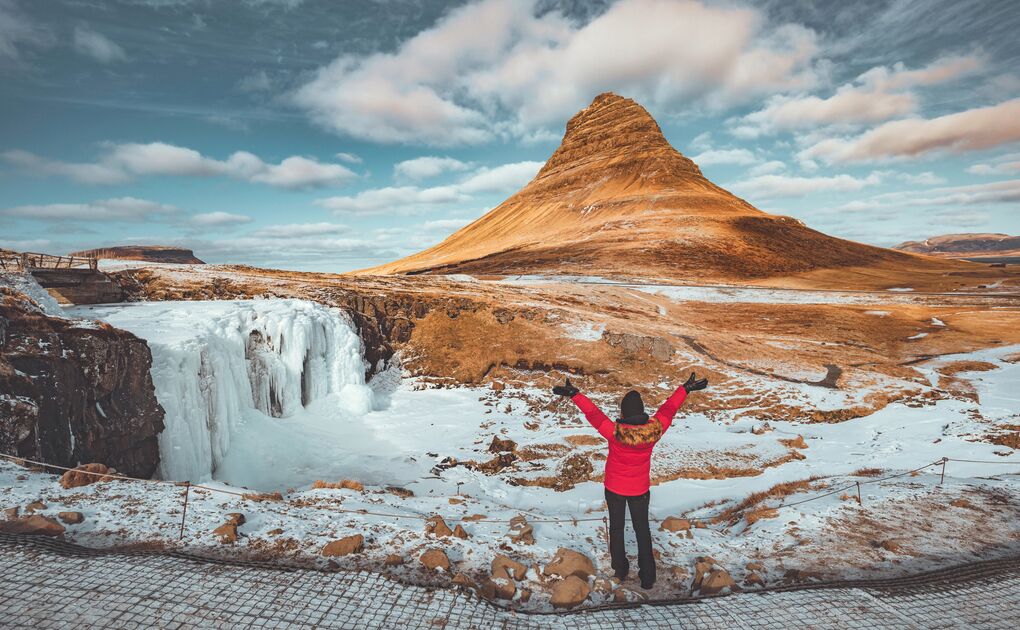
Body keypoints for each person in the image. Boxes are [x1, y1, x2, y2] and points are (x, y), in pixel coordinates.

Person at [552, 373, 708, 589]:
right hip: (640, 489)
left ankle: (620, 570)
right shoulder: (654, 431)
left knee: (616, 529)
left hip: (614, 488)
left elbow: (593, 414)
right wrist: (685, 389)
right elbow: (668, 410)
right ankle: (647, 577)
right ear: (642, 412)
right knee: (642, 530)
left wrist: (575, 395)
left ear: (623, 412)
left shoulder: (614, 432)